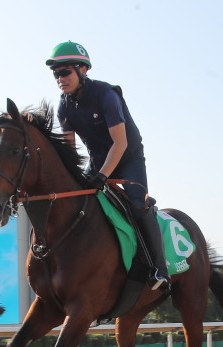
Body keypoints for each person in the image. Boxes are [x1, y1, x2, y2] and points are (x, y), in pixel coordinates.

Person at [45, 40, 170, 293]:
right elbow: (70, 151)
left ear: (83, 70)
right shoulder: (64, 106)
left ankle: (159, 269)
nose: (60, 79)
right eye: (56, 74)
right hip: (98, 160)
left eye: (65, 72)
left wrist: (102, 176)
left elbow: (120, 143)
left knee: (137, 204)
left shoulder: (106, 95)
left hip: (128, 158)